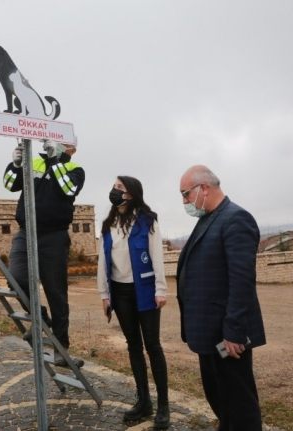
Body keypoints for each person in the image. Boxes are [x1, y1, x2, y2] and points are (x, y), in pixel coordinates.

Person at [176, 165, 266, 431]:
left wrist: (235, 332)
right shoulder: (208, 219)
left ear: (204, 188)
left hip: (228, 336)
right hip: (208, 333)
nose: (184, 202)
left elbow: (241, 282)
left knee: (239, 402)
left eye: (185, 194)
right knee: (220, 397)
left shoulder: (236, 219)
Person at [97, 176, 170, 429]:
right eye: (114, 187)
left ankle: (163, 406)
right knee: (133, 346)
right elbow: (103, 261)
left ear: (131, 194)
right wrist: (104, 294)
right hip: (120, 293)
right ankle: (144, 401)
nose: (114, 191)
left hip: (145, 290)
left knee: (153, 345)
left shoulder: (147, 220)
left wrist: (161, 289)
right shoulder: (109, 224)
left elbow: (157, 255)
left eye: (119, 188)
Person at [3, 139, 85, 365]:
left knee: (56, 292)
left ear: (72, 149)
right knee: (16, 278)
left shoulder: (75, 170)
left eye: (63, 142)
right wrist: (16, 164)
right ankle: (40, 319)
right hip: (26, 232)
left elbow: (68, 188)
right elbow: (10, 185)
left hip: (54, 236)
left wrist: (54, 160)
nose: (57, 143)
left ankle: (61, 350)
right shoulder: (34, 162)